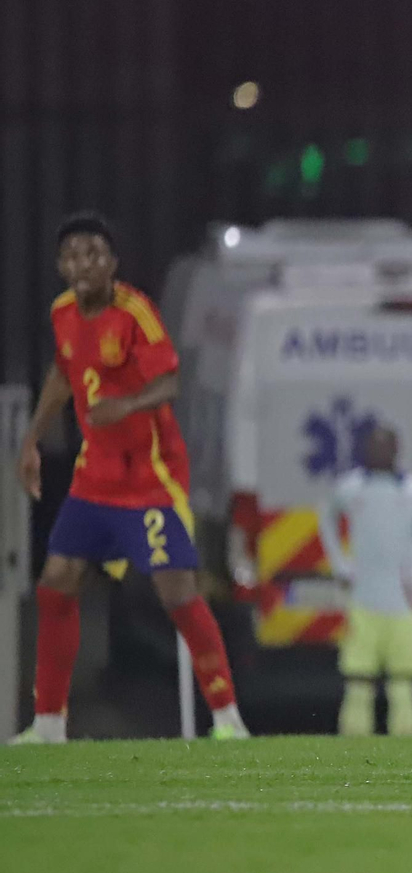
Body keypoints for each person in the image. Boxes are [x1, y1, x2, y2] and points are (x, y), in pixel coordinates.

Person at [11, 214, 249, 744]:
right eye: (72, 255)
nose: (83, 264)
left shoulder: (135, 311)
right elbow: (62, 371)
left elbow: (168, 381)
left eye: (94, 253)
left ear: (112, 263)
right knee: (56, 585)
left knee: (178, 594)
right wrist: (32, 439)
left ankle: (229, 718)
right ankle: (49, 723)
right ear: (60, 266)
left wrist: (126, 405)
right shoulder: (63, 313)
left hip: (148, 477)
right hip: (93, 480)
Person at [317, 424, 412, 737]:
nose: (378, 453)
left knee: (403, 685)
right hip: (363, 602)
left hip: (403, 604)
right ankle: (354, 756)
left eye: (385, 447)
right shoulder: (351, 488)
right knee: (358, 685)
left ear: (396, 450)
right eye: (373, 447)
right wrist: (340, 564)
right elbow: (326, 517)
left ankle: (404, 755)